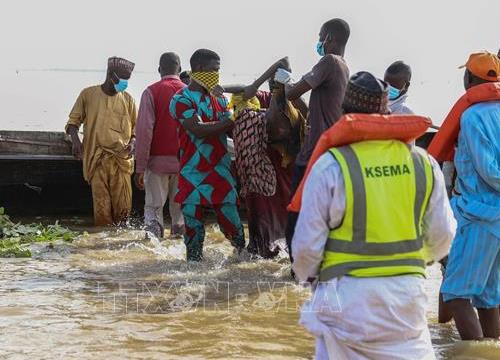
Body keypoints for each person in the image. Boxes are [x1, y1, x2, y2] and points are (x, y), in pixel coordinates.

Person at [292, 72, 456, 359]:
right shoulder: (424, 164)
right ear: (388, 113)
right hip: (408, 298)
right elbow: (443, 238)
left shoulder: (331, 165)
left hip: (346, 300)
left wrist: (312, 280)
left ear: (344, 113)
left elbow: (306, 249)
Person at [438, 51, 500, 340]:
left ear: (470, 79)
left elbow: (489, 170)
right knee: (489, 299)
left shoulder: (473, 116)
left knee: (456, 295)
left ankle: (472, 354)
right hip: (495, 218)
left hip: (480, 215)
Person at [282, 18, 350, 265]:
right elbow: (312, 108)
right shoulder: (343, 67)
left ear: (329, 38)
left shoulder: (328, 61)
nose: (319, 42)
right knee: (319, 217)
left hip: (314, 155)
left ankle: (297, 271)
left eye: (321, 36)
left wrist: (283, 82)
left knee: (296, 219)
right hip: (328, 153)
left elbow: (292, 92)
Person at [223, 58, 307, 258]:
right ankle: (261, 250)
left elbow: (305, 118)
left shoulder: (294, 102)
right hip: (262, 169)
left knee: (286, 212)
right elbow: (243, 91)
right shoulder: (263, 98)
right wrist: (222, 88)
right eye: (271, 80)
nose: (273, 84)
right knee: (261, 211)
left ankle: (285, 250)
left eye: (276, 80)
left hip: (285, 168)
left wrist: (288, 87)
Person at [169, 49, 245, 261]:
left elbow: (230, 129)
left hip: (220, 172)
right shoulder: (181, 98)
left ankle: (241, 263)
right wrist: (231, 119)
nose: (217, 74)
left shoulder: (219, 100)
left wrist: (241, 111)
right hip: (192, 173)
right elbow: (198, 129)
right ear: (200, 69)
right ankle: (193, 273)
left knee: (234, 227)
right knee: (193, 233)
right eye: (215, 70)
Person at [66, 57, 137, 226]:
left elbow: (136, 129)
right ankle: (101, 244)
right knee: (102, 211)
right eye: (123, 78)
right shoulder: (88, 94)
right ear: (111, 75)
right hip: (96, 159)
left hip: (121, 161)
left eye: (128, 79)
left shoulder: (128, 99)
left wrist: (133, 142)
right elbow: (72, 124)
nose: (125, 82)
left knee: (123, 213)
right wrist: (76, 142)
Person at [134, 52, 185, 238]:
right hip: (184, 164)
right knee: (180, 212)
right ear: (180, 69)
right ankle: (180, 247)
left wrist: (139, 167)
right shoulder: (189, 93)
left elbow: (144, 132)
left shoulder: (151, 92)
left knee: (154, 209)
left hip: (157, 164)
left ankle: (153, 250)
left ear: (159, 70)